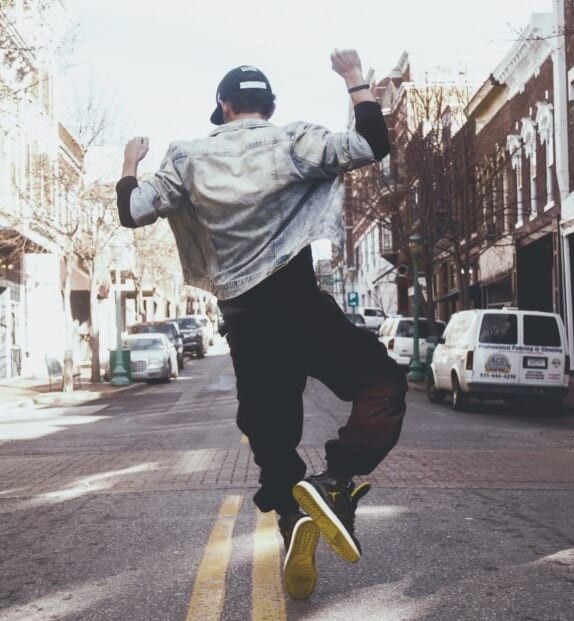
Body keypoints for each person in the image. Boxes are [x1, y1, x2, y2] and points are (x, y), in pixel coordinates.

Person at [116, 50, 407, 599]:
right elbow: (372, 143)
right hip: (299, 304)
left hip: (245, 322)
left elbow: (132, 212)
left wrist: (131, 162)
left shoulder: (187, 157)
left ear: (223, 107)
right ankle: (336, 480)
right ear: (268, 107)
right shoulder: (294, 140)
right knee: (382, 383)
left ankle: (295, 517)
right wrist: (353, 79)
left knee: (272, 441)